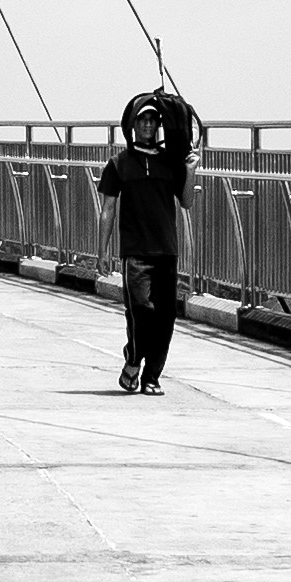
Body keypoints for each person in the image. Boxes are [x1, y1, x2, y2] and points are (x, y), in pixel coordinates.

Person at [96, 80, 196, 390]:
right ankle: (133, 357)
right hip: (136, 252)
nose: (149, 124)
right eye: (143, 119)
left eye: (153, 119)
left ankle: (151, 376)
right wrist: (102, 252)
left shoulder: (169, 162)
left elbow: (187, 202)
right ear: (132, 124)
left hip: (166, 249)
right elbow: (108, 209)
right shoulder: (119, 164)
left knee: (165, 317)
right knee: (140, 312)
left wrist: (191, 170)